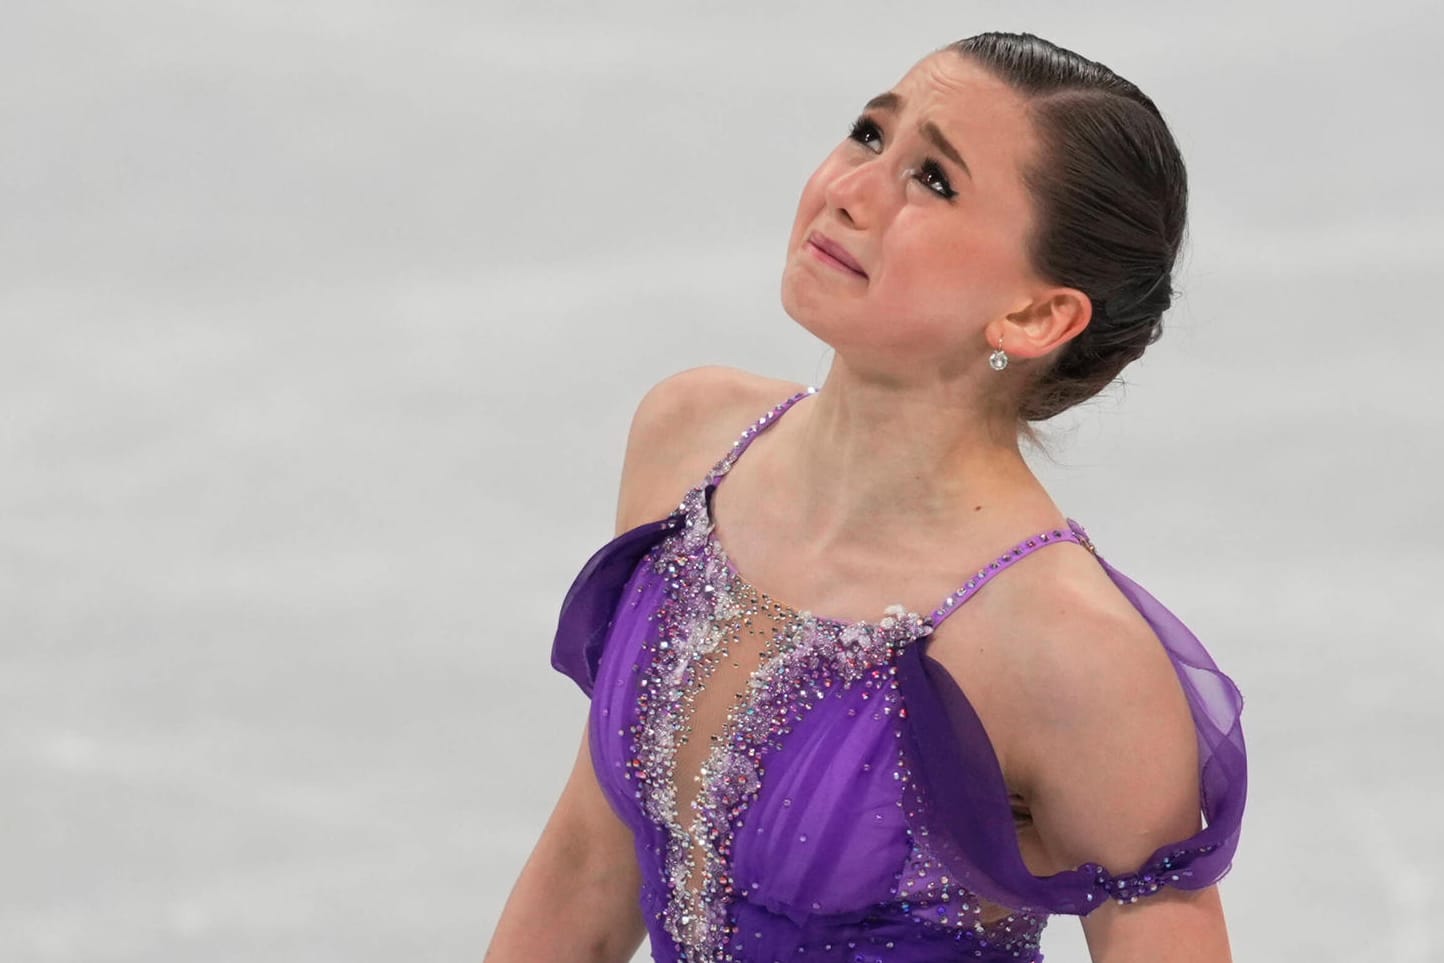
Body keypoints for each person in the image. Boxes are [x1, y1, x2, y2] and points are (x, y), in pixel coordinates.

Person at [487, 30, 1246, 963]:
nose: (849, 191)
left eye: (933, 181)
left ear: (1038, 314)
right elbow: (586, 868)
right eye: (868, 134)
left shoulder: (1066, 646)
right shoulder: (689, 440)